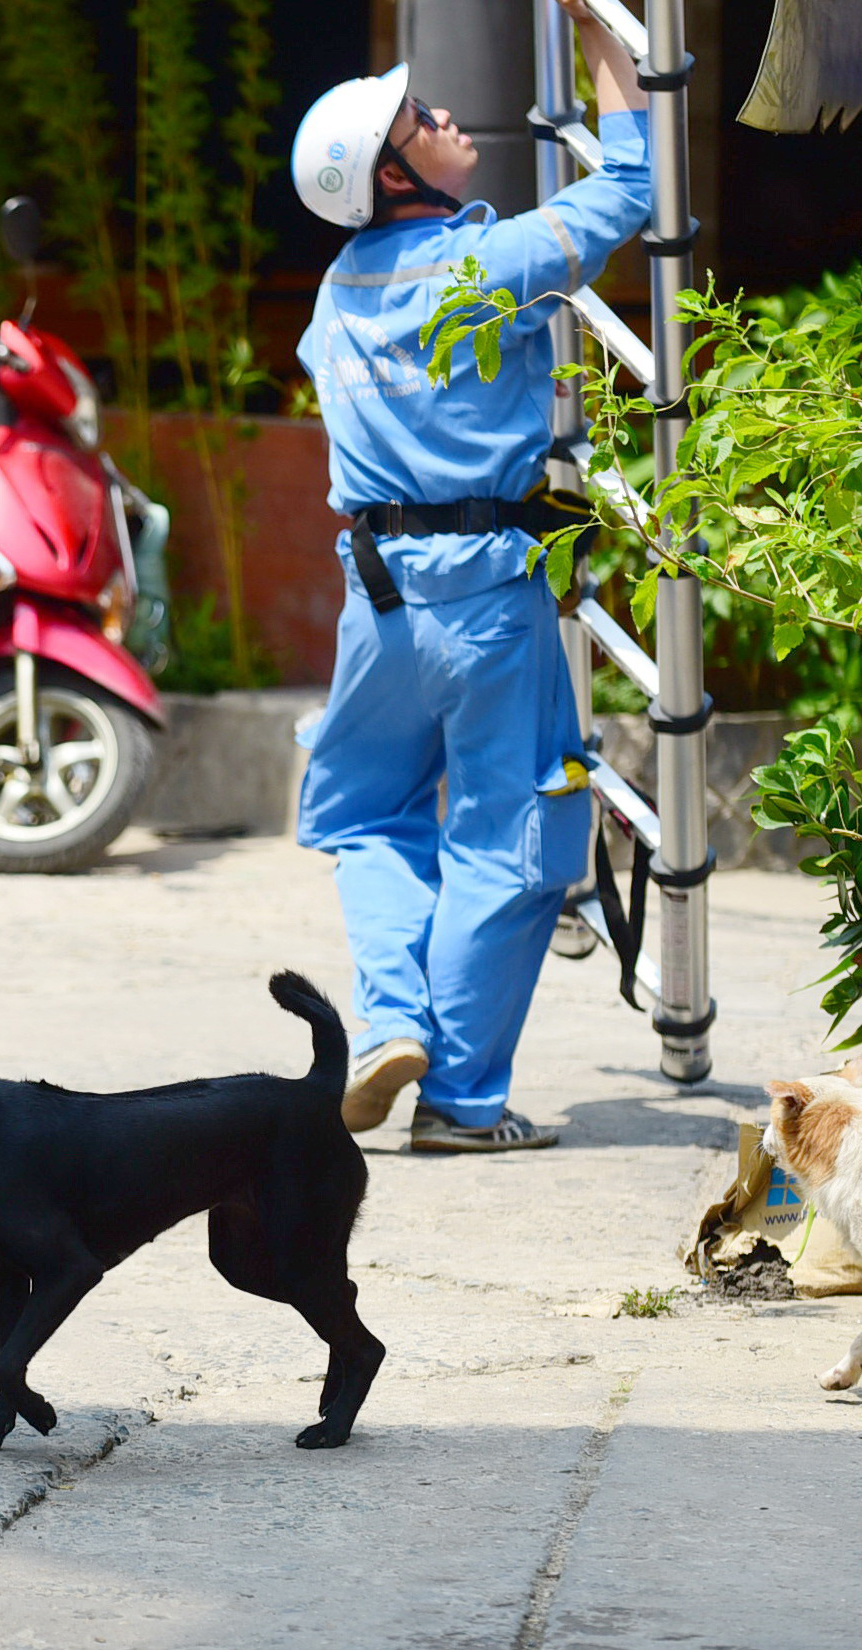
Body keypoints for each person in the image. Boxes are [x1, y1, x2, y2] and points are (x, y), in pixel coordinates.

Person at [288, 0, 651, 1153]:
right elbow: (624, 194)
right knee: (509, 839)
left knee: (364, 811)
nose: (444, 115)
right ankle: (459, 1101)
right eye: (420, 117)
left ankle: (390, 1014)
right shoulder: (482, 266)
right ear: (396, 173)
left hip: (377, 599)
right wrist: (612, 53)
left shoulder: (331, 297)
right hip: (490, 596)